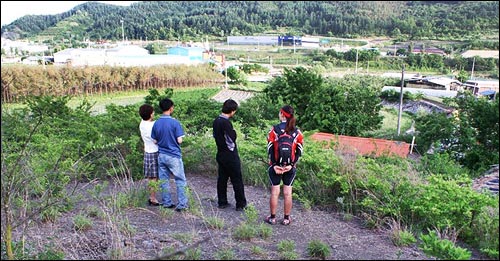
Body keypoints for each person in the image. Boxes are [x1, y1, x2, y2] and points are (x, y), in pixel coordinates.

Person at [265, 105, 304, 225]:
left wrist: (275, 165)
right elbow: (300, 150)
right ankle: (286, 219)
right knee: (288, 193)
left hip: (275, 166)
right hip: (290, 167)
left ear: (282, 114)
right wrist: (291, 165)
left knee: (274, 192)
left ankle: (272, 218)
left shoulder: (274, 130)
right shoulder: (297, 132)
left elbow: (270, 148)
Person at [151, 98, 189, 212]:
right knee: (180, 180)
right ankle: (182, 204)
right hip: (174, 155)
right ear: (171, 108)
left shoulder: (156, 122)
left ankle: (167, 202)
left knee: (164, 180)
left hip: (161, 155)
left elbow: (154, 140)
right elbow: (179, 140)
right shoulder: (175, 122)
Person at [212, 99, 247, 211]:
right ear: (232, 111)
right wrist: (234, 133)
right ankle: (240, 204)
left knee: (222, 179)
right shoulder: (226, 122)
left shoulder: (216, 120)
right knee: (237, 179)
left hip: (220, 153)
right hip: (230, 155)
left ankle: (222, 202)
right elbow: (231, 138)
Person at [139, 104, 160, 206]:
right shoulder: (151, 126)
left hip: (147, 151)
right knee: (154, 177)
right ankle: (152, 198)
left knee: (151, 177)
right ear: (151, 114)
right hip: (154, 152)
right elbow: (155, 140)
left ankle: (152, 196)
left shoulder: (142, 124)